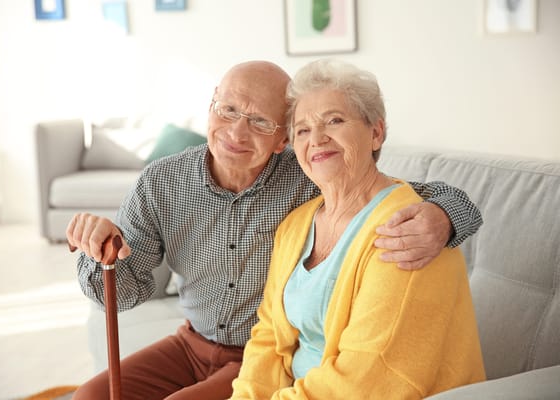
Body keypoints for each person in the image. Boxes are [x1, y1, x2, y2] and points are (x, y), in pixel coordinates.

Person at [67, 60, 483, 400]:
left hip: (255, 356)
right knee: (90, 397)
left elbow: (404, 195)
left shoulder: (310, 172)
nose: (235, 131)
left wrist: (443, 216)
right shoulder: (161, 183)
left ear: (281, 139)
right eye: (227, 110)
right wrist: (100, 250)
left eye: (259, 122)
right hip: (192, 341)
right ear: (210, 107)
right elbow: (124, 294)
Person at [229, 59, 485, 400]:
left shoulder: (408, 231)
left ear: (376, 133)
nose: (317, 138)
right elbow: (268, 337)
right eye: (302, 130)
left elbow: (367, 378)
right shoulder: (296, 224)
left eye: (334, 120)